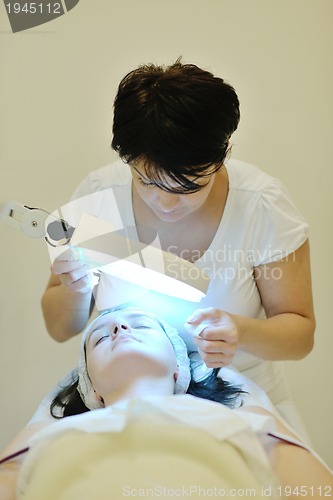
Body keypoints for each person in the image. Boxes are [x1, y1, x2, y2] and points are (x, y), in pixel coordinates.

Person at [41, 60, 315, 435]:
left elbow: (300, 335)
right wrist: (76, 288)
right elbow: (59, 328)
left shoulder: (261, 205)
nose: (165, 204)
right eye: (146, 181)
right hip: (126, 410)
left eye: (188, 187)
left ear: (223, 154)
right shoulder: (97, 199)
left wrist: (241, 332)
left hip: (242, 403)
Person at [0, 309, 331, 499]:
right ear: (93, 392)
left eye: (141, 325)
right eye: (100, 337)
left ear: (178, 368)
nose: (117, 327)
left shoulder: (241, 416)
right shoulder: (49, 433)